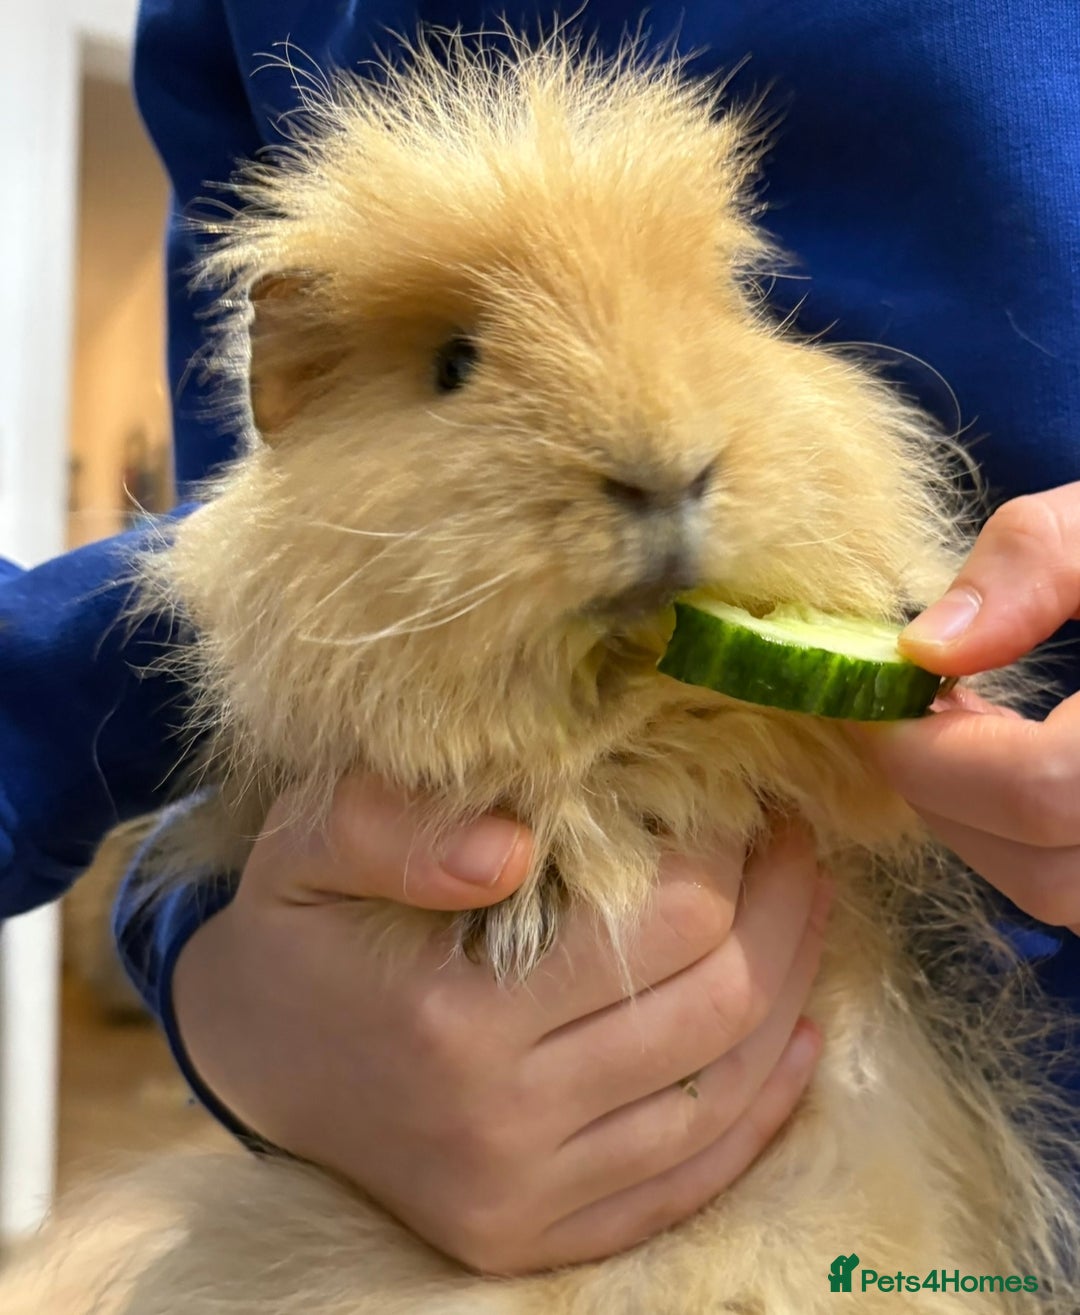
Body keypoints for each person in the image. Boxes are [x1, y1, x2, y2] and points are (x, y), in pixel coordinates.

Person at [0, 0, 1076, 1276]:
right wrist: (232, 993)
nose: (658, 446)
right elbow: (213, 681)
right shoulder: (233, 38)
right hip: (415, 1189)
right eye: (457, 362)